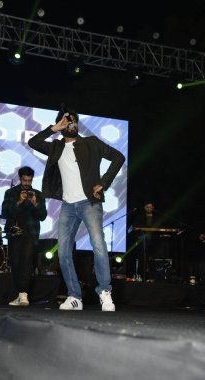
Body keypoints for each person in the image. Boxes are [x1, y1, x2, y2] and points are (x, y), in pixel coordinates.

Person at [28, 106, 125, 311]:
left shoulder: (91, 143)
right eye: (67, 121)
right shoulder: (55, 147)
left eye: (74, 121)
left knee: (99, 245)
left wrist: (104, 183)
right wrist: (53, 128)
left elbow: (118, 158)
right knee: (62, 252)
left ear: (78, 124)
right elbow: (33, 142)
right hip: (68, 206)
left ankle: (105, 291)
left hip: (89, 202)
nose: (71, 123)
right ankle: (74, 296)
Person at [1, 166, 47, 306]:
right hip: (15, 233)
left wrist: (35, 203)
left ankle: (23, 294)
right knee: (15, 265)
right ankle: (20, 294)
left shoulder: (37, 194)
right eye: (25, 180)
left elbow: (43, 216)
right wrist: (19, 201)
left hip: (30, 234)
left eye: (29, 180)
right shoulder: (11, 192)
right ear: (20, 178)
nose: (27, 183)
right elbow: (5, 213)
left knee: (26, 264)